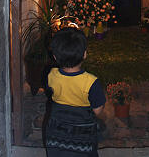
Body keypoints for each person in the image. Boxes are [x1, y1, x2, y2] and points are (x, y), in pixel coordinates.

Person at [45, 27, 106, 157]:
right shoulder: (91, 82)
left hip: (56, 134)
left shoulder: (51, 75)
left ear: (55, 57)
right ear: (84, 54)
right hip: (82, 137)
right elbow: (98, 110)